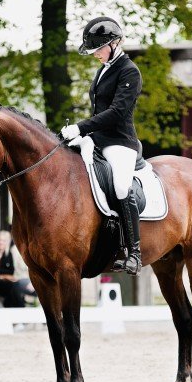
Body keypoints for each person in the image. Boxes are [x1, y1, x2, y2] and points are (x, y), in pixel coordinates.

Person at [61, 16, 143, 275]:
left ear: (115, 43)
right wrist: (80, 134)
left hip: (120, 141)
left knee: (120, 185)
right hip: (97, 138)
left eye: (98, 48)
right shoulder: (103, 69)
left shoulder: (129, 71)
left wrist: (81, 127)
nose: (95, 54)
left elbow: (118, 112)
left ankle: (134, 252)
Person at [0, 230, 28, 308]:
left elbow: (11, 271)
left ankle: (12, 311)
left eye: (4, 240)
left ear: (7, 242)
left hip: (4, 283)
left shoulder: (8, 255)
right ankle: (22, 311)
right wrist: (1, 273)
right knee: (13, 288)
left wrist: (2, 276)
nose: (1, 242)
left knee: (13, 290)